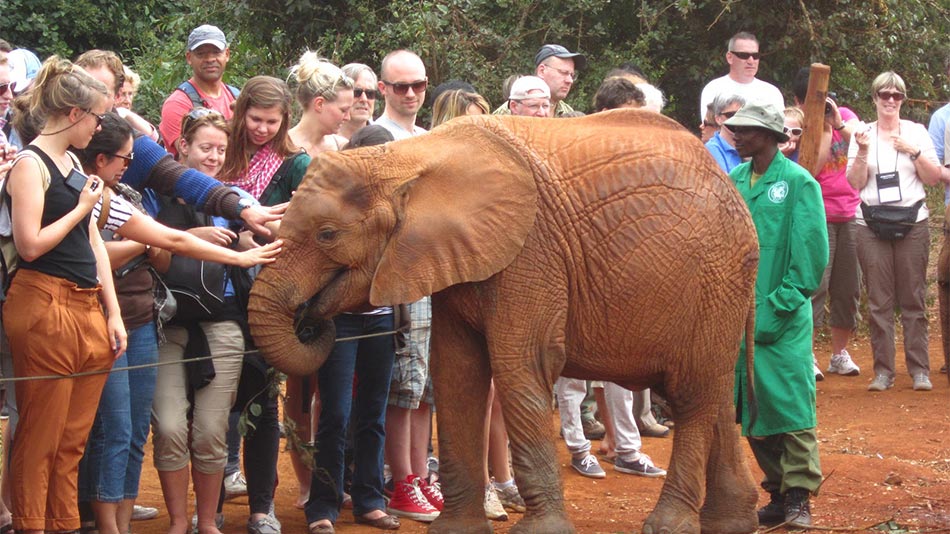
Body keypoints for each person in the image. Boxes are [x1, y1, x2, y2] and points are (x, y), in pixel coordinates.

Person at [75, 112, 282, 534]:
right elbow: (159, 251)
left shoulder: (233, 198)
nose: (213, 156)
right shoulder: (148, 196)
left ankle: (206, 522)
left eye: (221, 150)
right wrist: (191, 241)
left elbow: (259, 235)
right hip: (164, 320)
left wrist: (246, 239)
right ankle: (175, 522)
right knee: (166, 427)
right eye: (205, 147)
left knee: (209, 430)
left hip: (221, 320)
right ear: (181, 147)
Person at [2, 54, 124, 534]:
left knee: (73, 438)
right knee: (41, 435)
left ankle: (64, 524)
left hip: (86, 305)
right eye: (96, 117)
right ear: (75, 114)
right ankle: (35, 525)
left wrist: (112, 312)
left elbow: (94, 243)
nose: (98, 128)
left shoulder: (71, 161)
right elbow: (30, 244)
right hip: (42, 302)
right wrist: (82, 207)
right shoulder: (29, 165)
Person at [726, 102, 828, 529]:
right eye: (735, 129)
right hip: (738, 316)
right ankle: (779, 489)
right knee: (751, 407)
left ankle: (800, 496)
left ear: (770, 136)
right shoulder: (733, 179)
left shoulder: (799, 183)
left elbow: (809, 262)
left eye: (747, 130)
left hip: (782, 320)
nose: (737, 135)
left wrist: (775, 308)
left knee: (791, 409)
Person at [221, 75, 313, 534]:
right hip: (217, 290)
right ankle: (212, 504)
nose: (261, 129)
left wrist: (254, 233)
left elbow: (304, 232)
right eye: (254, 119)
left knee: (260, 397)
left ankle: (262, 507)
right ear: (240, 115)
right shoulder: (221, 150)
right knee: (217, 400)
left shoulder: (296, 163)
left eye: (271, 122)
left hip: (268, 291)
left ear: (284, 122)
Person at [372, 49, 442, 522]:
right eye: (401, 86)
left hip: (434, 274)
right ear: (383, 89)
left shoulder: (429, 138)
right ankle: (400, 483)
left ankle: (418, 476)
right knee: (403, 383)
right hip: (398, 277)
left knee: (425, 387)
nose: (412, 94)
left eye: (418, 84)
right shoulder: (378, 141)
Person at [846, 71, 944, 393]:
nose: (890, 100)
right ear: (873, 98)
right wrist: (861, 151)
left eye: (896, 96)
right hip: (870, 225)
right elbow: (855, 183)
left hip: (912, 222)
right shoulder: (861, 133)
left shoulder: (916, 132)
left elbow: (932, 179)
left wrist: (913, 152)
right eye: (884, 95)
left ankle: (919, 371)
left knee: (913, 299)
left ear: (903, 99)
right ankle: (883, 372)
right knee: (879, 302)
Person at [790, 68, 863, 379]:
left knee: (848, 289)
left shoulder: (844, 115)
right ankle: (806, 355)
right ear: (800, 102)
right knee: (815, 288)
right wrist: (819, 128)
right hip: (817, 216)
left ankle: (838, 354)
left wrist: (838, 123)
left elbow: (864, 147)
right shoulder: (798, 127)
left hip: (850, 213)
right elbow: (811, 168)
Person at [160, 24, 239, 157]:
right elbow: (190, 156)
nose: (209, 59)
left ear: (227, 54)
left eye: (216, 52)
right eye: (201, 54)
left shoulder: (236, 97)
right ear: (189, 58)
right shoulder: (177, 104)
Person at [699, 32, 784, 122]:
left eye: (755, 56)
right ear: (729, 57)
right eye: (744, 55)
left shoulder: (772, 92)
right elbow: (709, 127)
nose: (751, 61)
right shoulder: (713, 89)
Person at [288, 52, 354, 155]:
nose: (348, 117)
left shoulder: (342, 147)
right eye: (343, 110)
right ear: (319, 104)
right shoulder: (282, 147)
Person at [493, 44, 585, 117]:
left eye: (572, 75)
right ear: (542, 71)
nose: (570, 80)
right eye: (563, 72)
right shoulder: (508, 112)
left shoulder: (568, 112)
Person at [705, 93, 746, 173]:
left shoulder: (749, 145)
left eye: (741, 115)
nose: (737, 119)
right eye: (731, 115)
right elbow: (724, 182)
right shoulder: (712, 149)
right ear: (718, 119)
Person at [340, 63, 378, 140]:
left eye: (369, 93)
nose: (364, 99)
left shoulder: (384, 140)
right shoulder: (323, 141)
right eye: (357, 92)